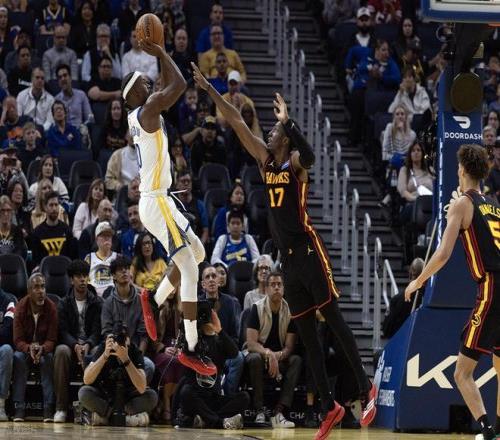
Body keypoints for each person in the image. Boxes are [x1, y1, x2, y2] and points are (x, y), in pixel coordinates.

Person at [193, 65, 377, 438]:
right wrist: (211, 91)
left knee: (333, 319)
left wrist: (289, 122)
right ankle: (329, 407)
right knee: (307, 336)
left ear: (285, 139)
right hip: (288, 261)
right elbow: (236, 122)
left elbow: (309, 155)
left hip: (309, 251)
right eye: (273, 129)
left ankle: (366, 387)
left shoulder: (294, 164)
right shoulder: (265, 160)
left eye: (275, 131)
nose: (269, 132)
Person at [121, 38, 212, 376]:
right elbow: (180, 85)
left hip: (161, 200)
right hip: (156, 202)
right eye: (145, 83)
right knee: (189, 267)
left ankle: (153, 298)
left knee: (198, 253)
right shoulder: (146, 110)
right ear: (134, 92)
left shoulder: (141, 112)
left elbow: (170, 86)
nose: (150, 84)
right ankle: (191, 346)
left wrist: (161, 56)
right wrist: (160, 52)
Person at [405, 144, 500, 440]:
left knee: (461, 372)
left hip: (491, 287)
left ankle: (487, 432)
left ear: (462, 170)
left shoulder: (462, 204)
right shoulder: (494, 204)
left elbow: (443, 253)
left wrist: (418, 281)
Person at [245, 270, 302, 428]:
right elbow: (251, 344)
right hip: (260, 354)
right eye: (273, 285)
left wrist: (277, 356)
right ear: (266, 288)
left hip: (279, 356)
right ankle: (260, 410)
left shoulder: (291, 311)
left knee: (296, 360)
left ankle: (279, 411)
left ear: (284, 288)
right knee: (254, 359)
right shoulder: (256, 308)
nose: (276, 287)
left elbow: (289, 346)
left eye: (279, 284)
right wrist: (268, 354)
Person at [177, 307, 248, 430]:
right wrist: (192, 323)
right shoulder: (193, 341)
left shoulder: (219, 341)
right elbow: (186, 347)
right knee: (186, 392)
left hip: (213, 398)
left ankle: (207, 420)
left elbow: (235, 353)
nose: (207, 319)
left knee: (244, 397)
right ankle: (219, 422)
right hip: (196, 398)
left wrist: (219, 330)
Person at [79, 324, 158, 426]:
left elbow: (142, 387)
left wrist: (126, 360)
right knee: (84, 393)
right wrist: (104, 356)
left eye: (123, 340)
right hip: (105, 395)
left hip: (128, 396)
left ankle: (107, 418)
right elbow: (87, 379)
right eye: (117, 340)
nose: (120, 344)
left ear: (129, 340)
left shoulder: (134, 350)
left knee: (152, 396)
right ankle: (123, 418)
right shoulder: (104, 348)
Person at [53, 259, 102, 423]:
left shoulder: (97, 302)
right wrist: (75, 345)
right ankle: (61, 408)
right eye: (78, 276)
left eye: (85, 276)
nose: (83, 279)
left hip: (89, 345)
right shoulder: (63, 303)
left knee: (97, 352)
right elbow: (62, 331)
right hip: (71, 346)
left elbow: (97, 331)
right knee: (61, 351)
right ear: (71, 280)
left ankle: (93, 407)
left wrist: (88, 344)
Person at [100, 256, 155, 383]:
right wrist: (118, 354)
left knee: (149, 366)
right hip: (114, 353)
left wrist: (138, 357)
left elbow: (144, 335)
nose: (124, 271)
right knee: (101, 366)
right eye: (120, 269)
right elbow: (107, 333)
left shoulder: (141, 301)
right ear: (114, 276)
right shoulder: (108, 303)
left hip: (135, 353)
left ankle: (135, 392)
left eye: (126, 268)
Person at [12, 273, 57, 422]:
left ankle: (48, 408)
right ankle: (19, 407)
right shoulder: (20, 308)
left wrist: (42, 349)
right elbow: (17, 340)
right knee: (18, 358)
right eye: (36, 287)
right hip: (25, 349)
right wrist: (28, 348)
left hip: (44, 350)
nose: (41, 291)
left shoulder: (51, 307)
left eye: (43, 287)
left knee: (48, 359)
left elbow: (52, 339)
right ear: (29, 291)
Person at [199, 265, 243, 396]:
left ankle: (227, 395)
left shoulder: (230, 302)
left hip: (225, 348)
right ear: (203, 284)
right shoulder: (197, 302)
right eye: (207, 277)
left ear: (219, 281)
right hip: (204, 350)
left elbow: (234, 335)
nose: (211, 279)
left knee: (238, 358)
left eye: (214, 276)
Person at [30, 191, 77, 266]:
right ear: (45, 207)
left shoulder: (67, 230)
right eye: (51, 205)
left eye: (56, 205)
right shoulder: (37, 232)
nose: (54, 208)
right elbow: (36, 261)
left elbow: (72, 258)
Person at [383, 257, 424, 338]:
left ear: (410, 274)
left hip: (400, 341)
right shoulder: (428, 299)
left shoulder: (397, 300)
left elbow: (386, 330)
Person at [397, 142, 434, 223]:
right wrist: (417, 200)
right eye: (413, 151)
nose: (416, 153)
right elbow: (403, 192)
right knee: (416, 210)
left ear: (422, 153)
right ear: (410, 154)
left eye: (418, 150)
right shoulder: (404, 170)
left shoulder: (430, 170)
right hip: (413, 203)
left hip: (430, 203)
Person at [16, 67, 55, 132]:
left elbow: (49, 121)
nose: (40, 80)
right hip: (24, 131)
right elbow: (18, 116)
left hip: (42, 132)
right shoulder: (21, 95)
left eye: (42, 78)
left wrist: (39, 131)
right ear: (32, 79)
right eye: (37, 77)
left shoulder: (50, 99)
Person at [85, 221, 118, 297]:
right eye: (103, 235)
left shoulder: (118, 257)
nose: (107, 238)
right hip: (94, 297)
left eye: (109, 235)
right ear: (96, 239)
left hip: (114, 297)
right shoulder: (89, 258)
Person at [55, 64, 92, 128]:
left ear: (70, 78)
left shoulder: (81, 95)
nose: (63, 79)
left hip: (80, 130)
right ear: (58, 82)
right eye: (60, 77)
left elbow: (90, 117)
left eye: (65, 75)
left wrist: (84, 127)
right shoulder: (56, 100)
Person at [0, 270, 16, 421]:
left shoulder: (9, 300)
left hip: (1, 346)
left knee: (7, 350)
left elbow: (7, 331)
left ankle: (1, 404)